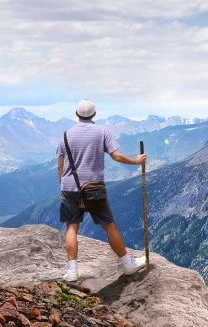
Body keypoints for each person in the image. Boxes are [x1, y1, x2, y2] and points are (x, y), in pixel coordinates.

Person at [57, 99, 146, 281]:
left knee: (72, 227)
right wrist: (137, 161)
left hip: (69, 188)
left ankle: (72, 271)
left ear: (76, 114)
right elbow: (117, 156)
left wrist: (64, 186)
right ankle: (128, 264)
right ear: (94, 115)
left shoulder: (66, 135)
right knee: (109, 225)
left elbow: (60, 164)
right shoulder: (102, 132)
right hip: (93, 187)